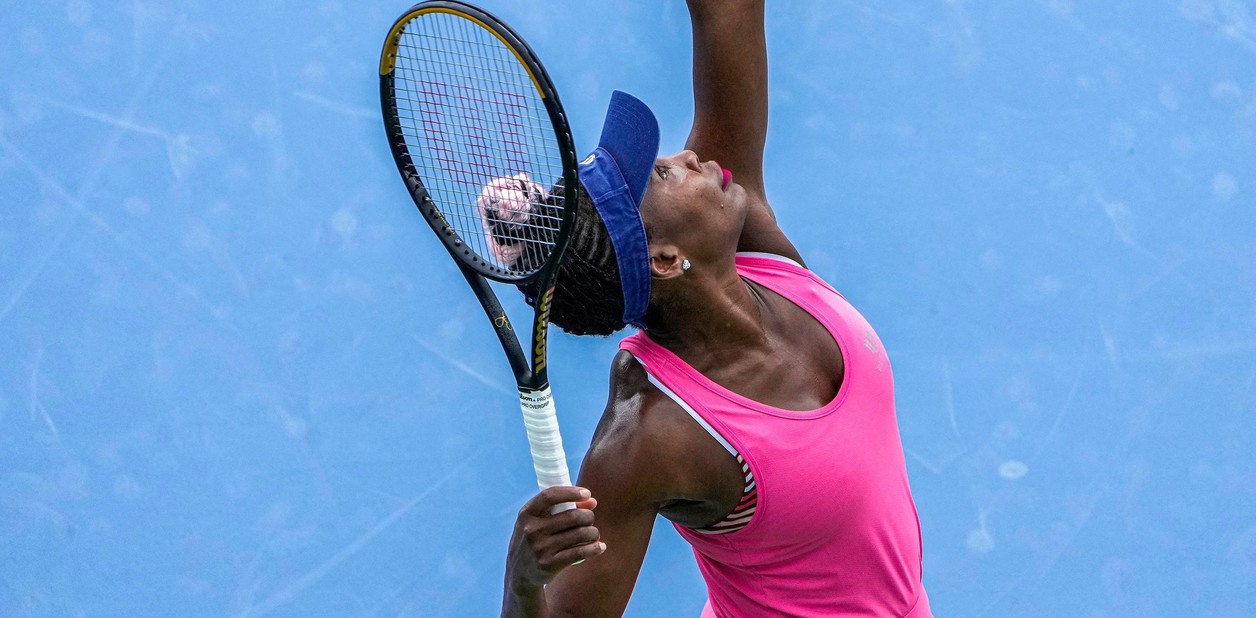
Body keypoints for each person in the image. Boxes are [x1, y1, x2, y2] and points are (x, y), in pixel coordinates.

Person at [499, 1, 930, 615]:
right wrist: (524, 588)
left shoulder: (752, 251)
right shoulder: (651, 435)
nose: (686, 158)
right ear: (666, 259)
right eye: (662, 176)